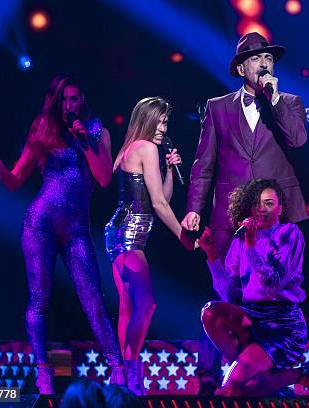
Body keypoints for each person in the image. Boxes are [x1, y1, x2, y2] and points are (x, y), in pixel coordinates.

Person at [182, 31, 309, 394]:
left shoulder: (290, 103)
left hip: (274, 220)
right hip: (231, 218)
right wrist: (194, 209)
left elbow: (298, 140)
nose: (264, 64)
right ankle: (220, 376)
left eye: (269, 58)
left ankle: (275, 370)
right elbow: (203, 165)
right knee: (226, 292)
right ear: (241, 67)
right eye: (256, 59)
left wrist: (277, 99)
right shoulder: (218, 107)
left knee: (275, 290)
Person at [0, 74, 124, 393]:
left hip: (76, 231)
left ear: (83, 100)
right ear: (56, 102)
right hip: (40, 225)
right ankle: (43, 370)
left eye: (74, 98)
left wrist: (85, 141)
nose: (69, 105)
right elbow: (15, 180)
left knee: (94, 301)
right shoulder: (43, 129)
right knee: (39, 299)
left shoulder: (97, 130)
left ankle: (117, 367)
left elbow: (103, 178)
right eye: (64, 99)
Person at [198, 179, 309, 397]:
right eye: (257, 204)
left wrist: (251, 246)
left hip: (281, 327)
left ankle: (297, 374)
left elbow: (273, 284)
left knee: (230, 389)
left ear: (280, 209)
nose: (262, 208)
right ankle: (272, 374)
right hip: (251, 319)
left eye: (269, 203)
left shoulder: (289, 234)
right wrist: (211, 255)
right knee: (212, 312)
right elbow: (228, 294)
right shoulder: (240, 240)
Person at [104, 97, 188, 395]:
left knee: (128, 307)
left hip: (118, 235)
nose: (164, 129)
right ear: (148, 119)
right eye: (161, 121)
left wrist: (167, 172)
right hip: (128, 237)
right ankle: (130, 368)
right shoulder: (146, 148)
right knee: (147, 304)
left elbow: (158, 196)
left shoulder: (132, 148)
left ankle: (120, 377)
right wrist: (183, 236)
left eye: (167, 123)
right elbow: (159, 204)